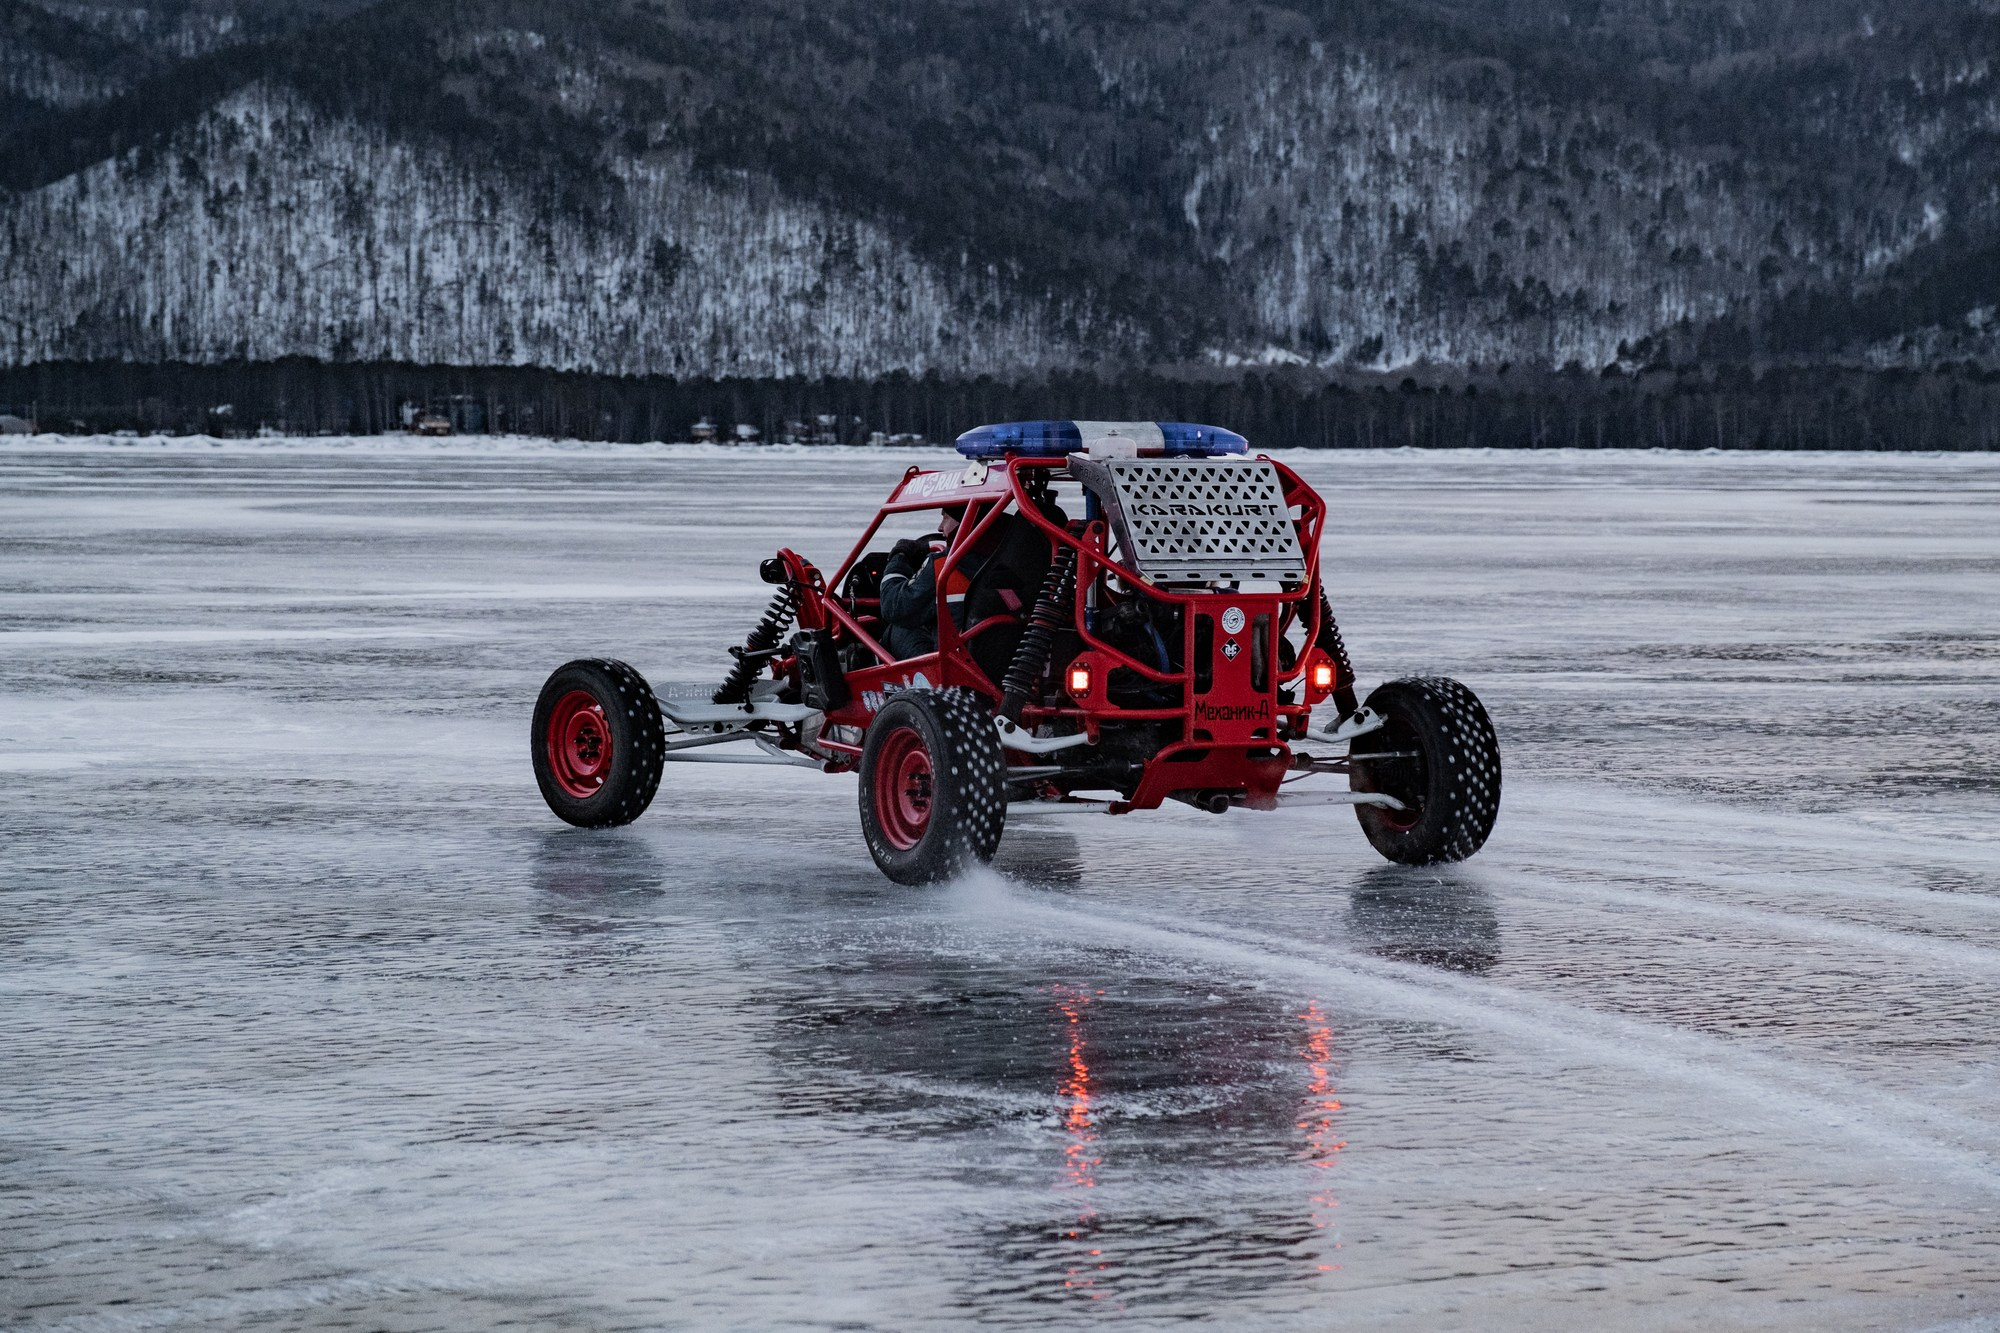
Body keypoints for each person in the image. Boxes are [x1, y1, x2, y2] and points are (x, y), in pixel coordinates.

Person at [877, 505, 964, 659]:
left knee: (898, 627)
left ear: (963, 520)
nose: (940, 527)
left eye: (946, 517)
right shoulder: (1010, 557)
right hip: (1000, 664)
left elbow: (893, 607)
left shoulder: (944, 567)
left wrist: (899, 557)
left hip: (953, 668)